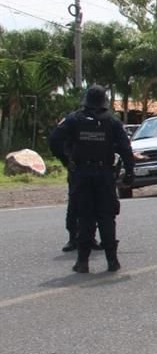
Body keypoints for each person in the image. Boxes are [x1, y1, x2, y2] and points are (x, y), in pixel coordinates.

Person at [49, 85, 135, 273]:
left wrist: (66, 160)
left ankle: (83, 262)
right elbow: (125, 149)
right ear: (104, 101)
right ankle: (112, 261)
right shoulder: (112, 122)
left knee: (85, 217)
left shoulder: (73, 120)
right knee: (107, 217)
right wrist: (129, 173)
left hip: (82, 174)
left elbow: (54, 140)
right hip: (104, 174)